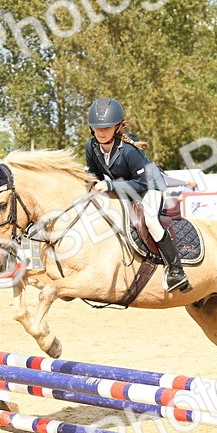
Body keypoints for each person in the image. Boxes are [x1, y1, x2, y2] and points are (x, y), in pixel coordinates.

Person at [84, 97, 190, 293]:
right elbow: (94, 173)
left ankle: (177, 270)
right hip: (124, 186)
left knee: (150, 220)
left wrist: (108, 185)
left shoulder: (129, 150)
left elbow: (141, 183)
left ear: (117, 127)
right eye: (97, 128)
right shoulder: (91, 147)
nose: (101, 132)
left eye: (106, 128)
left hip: (149, 186)